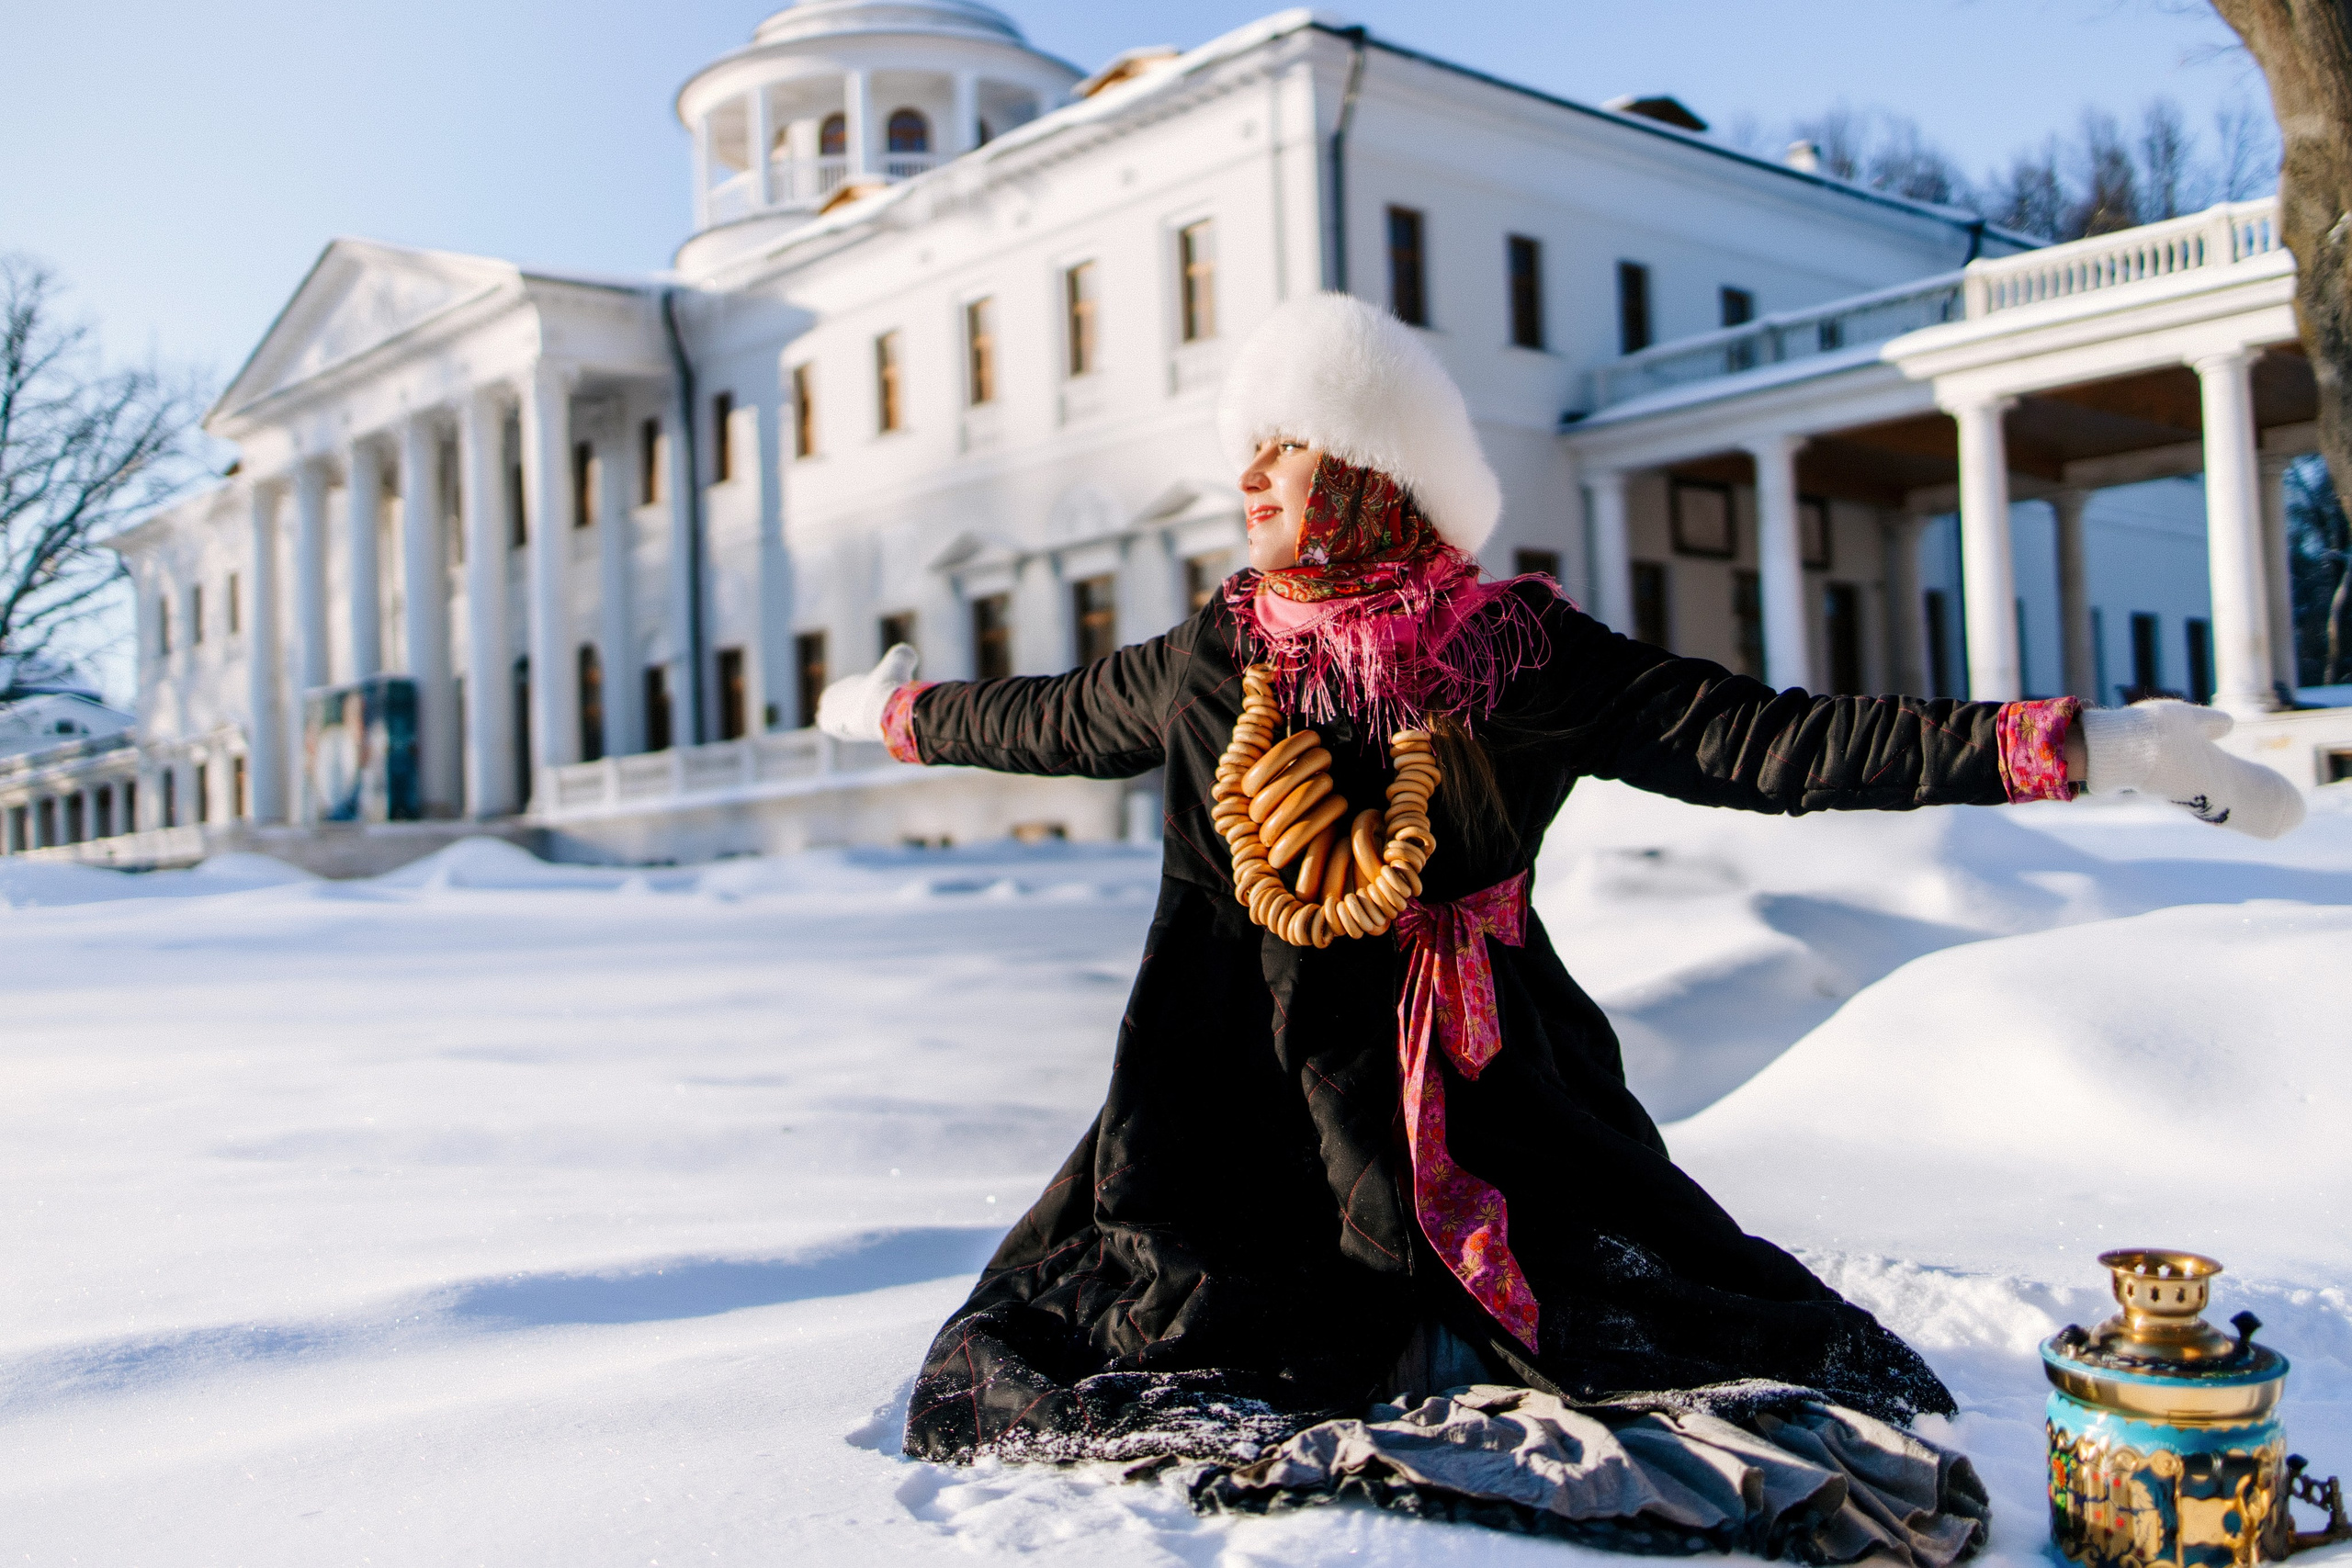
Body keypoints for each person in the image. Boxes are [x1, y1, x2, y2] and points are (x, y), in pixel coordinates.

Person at [818, 294, 2302, 1556]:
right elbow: (1041, 718)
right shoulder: (1215, 654)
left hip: (1483, 1092)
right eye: (1246, 446)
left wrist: (2089, 747)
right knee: (1141, 1330)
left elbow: (1769, 742)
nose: (1251, 475)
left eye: (1285, 441)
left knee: (1652, 1314)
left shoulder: (1515, 654)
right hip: (1237, 1098)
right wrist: (884, 711)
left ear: (1370, 465)